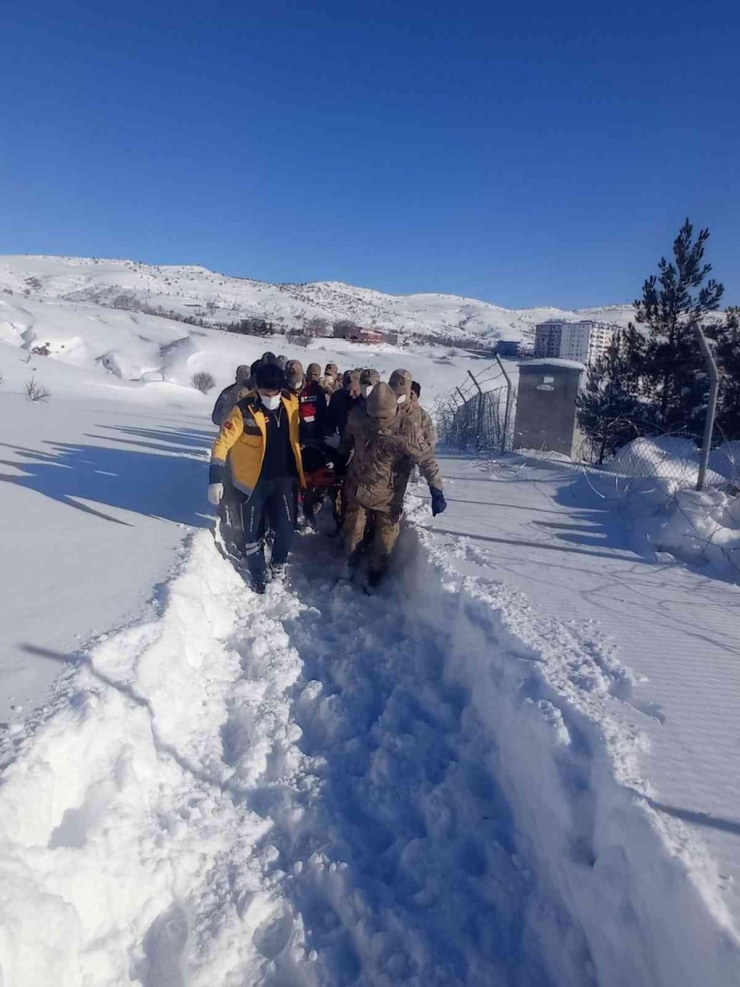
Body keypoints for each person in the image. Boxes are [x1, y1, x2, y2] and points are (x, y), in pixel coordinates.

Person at [208, 362, 306, 593]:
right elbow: (222, 443)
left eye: (275, 391)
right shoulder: (243, 410)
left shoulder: (291, 403)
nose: (271, 396)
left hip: (284, 478)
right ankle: (259, 574)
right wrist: (215, 477)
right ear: (257, 389)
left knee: (286, 528)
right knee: (253, 532)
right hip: (253, 482)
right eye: (265, 392)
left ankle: (278, 564)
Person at [340, 382, 446, 586]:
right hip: (359, 486)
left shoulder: (407, 429)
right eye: (375, 417)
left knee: (385, 540)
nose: (379, 421)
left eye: (384, 418)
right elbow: (348, 436)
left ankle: (376, 573)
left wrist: (436, 489)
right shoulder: (359, 416)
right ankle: (351, 563)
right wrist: (341, 455)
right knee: (353, 530)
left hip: (389, 494)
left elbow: (426, 459)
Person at [210, 365, 252, 556]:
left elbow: (215, 417)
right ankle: (244, 537)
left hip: (227, 446)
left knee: (231, 493)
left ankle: (238, 534)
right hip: (245, 451)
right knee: (243, 493)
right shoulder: (253, 395)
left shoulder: (227, 392)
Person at [388, 369, 436, 518]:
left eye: (412, 395)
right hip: (383, 462)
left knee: (393, 501)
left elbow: (428, 443)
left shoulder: (421, 416)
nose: (409, 398)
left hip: (404, 463)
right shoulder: (389, 410)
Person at [326, 369, 362, 441]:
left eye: (354, 391)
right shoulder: (337, 396)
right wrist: (332, 435)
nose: (351, 393)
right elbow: (330, 419)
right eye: (348, 390)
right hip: (341, 438)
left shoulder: (363, 399)